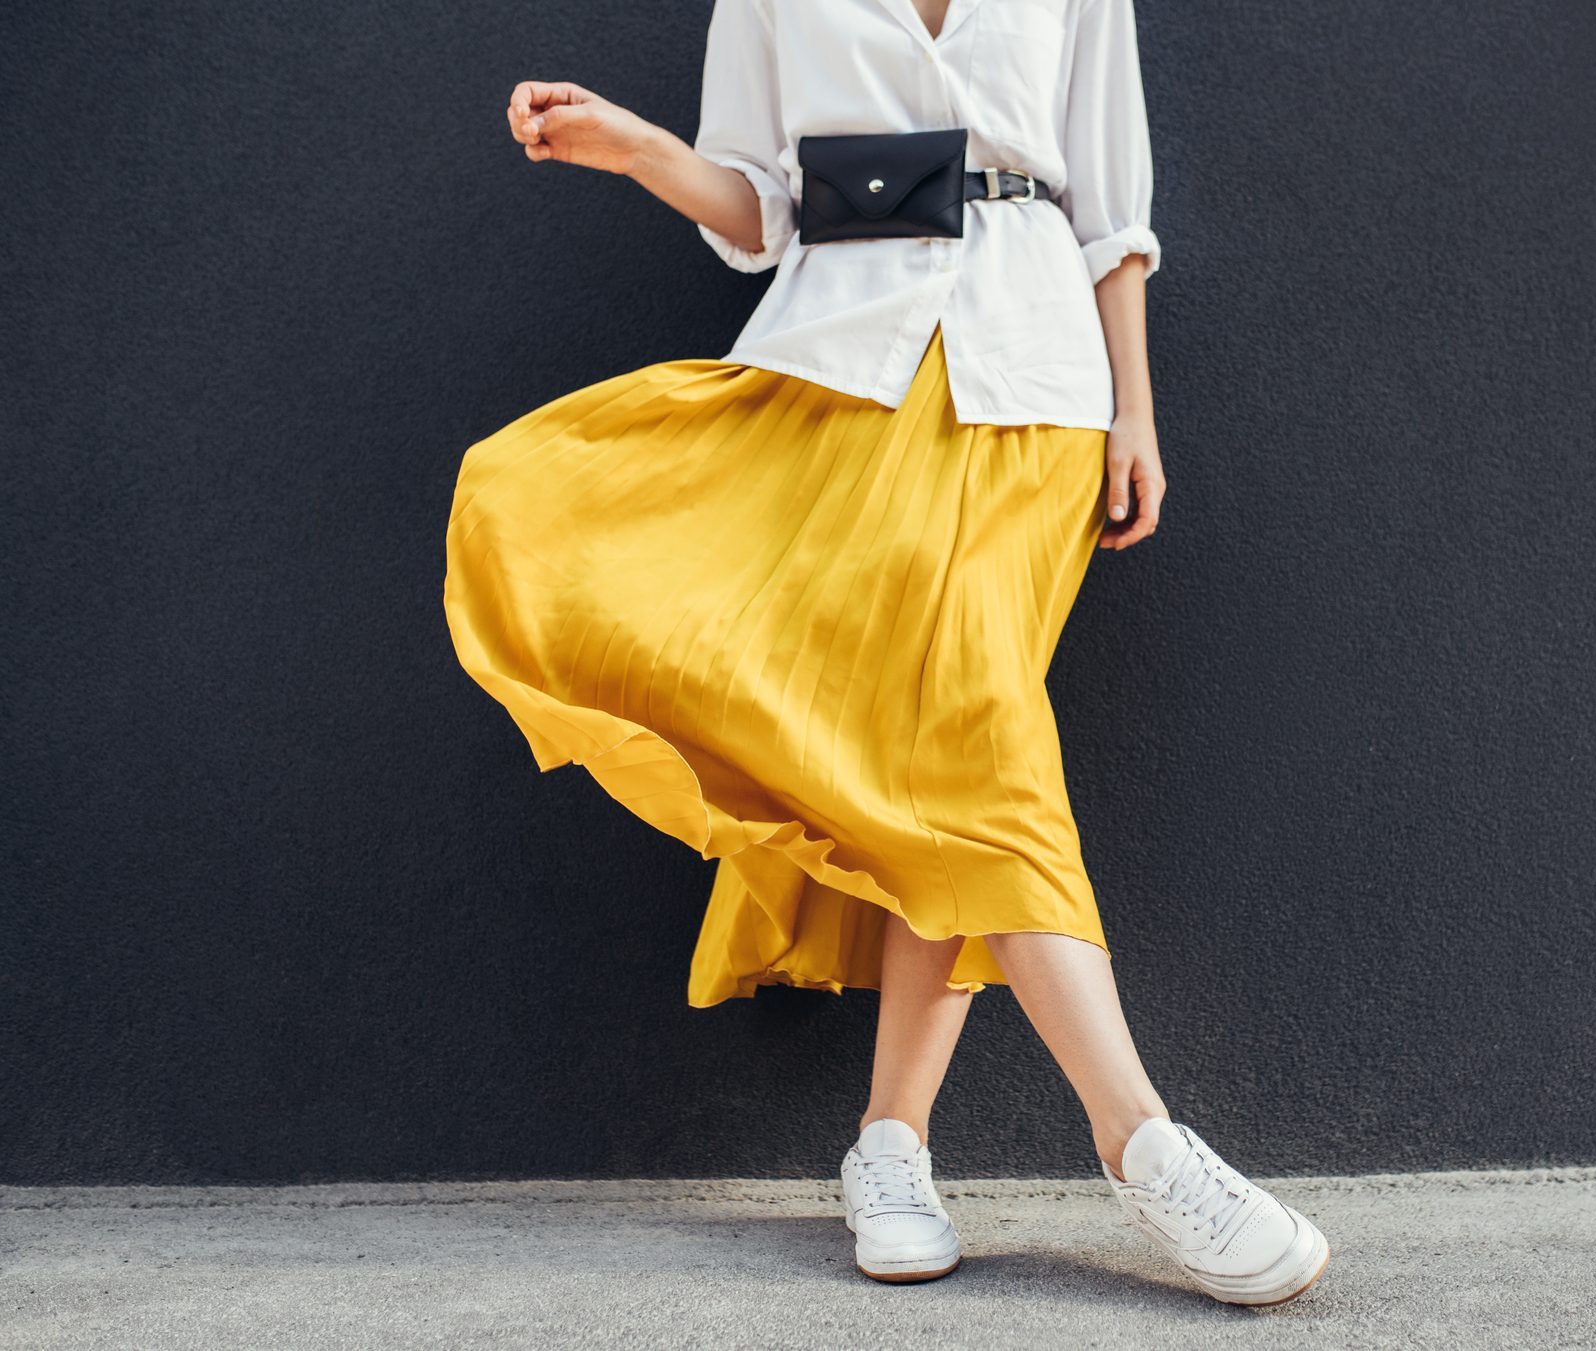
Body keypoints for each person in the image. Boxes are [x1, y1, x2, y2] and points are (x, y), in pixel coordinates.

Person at [442, 0, 1330, 1307]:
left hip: (1032, 385)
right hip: (837, 376)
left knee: (960, 739)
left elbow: (1108, 201)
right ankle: (1077, 1139)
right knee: (949, 754)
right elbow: (757, 211)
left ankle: (954, 1147)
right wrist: (638, 150)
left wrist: (1134, 407)